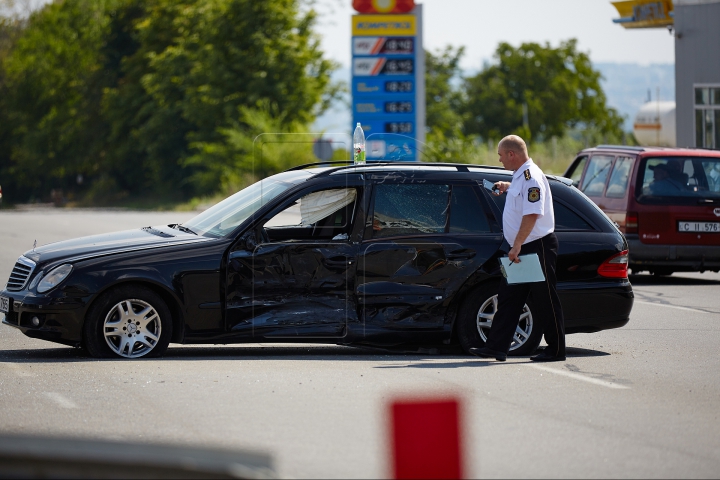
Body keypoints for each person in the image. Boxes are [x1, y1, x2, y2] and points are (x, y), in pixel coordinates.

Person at [470, 135, 565, 362]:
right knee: (509, 297)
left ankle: (556, 349)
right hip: (522, 246)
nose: (500, 160)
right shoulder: (522, 176)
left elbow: (533, 213)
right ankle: (496, 347)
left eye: (501, 156)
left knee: (545, 299)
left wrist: (518, 245)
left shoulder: (531, 177)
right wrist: (507, 186)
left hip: (535, 246)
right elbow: (522, 193)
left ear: (512, 154)